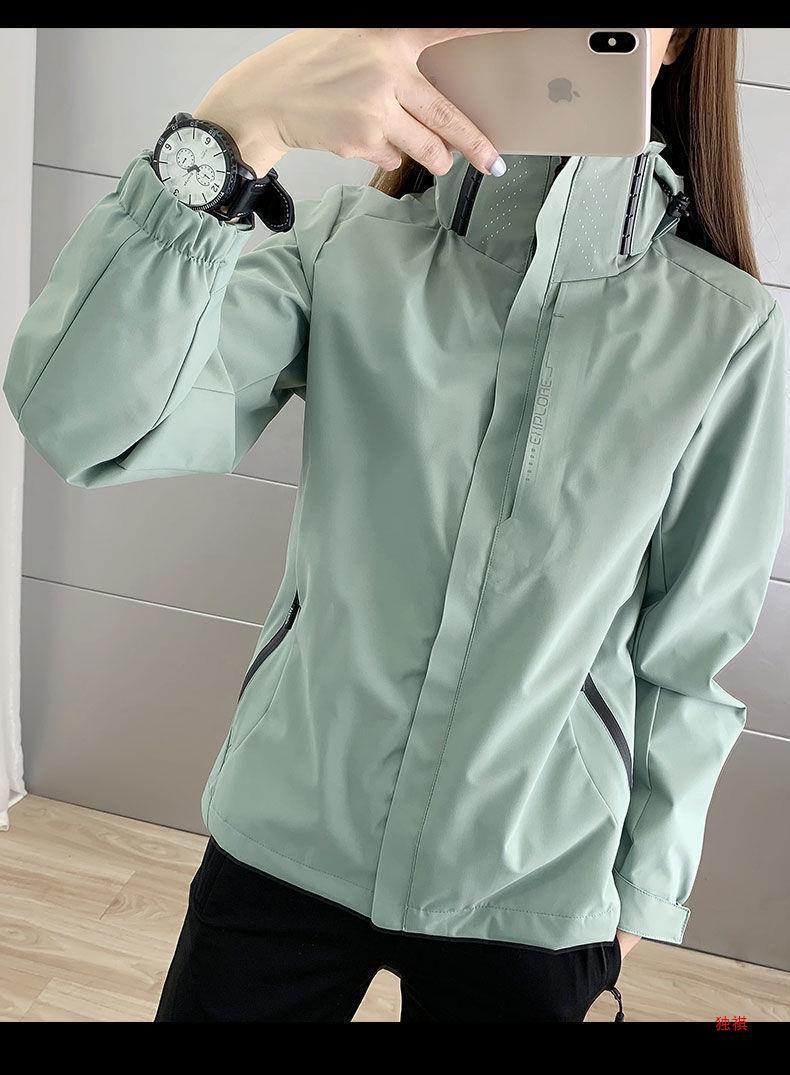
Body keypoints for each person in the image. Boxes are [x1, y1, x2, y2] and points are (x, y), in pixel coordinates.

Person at [3, 28, 785, 1023]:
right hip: (290, 826)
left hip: (531, 879)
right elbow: (84, 420)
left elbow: (689, 644)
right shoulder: (346, 245)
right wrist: (232, 130)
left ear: (678, 46)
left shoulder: (722, 326)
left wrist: (645, 888)